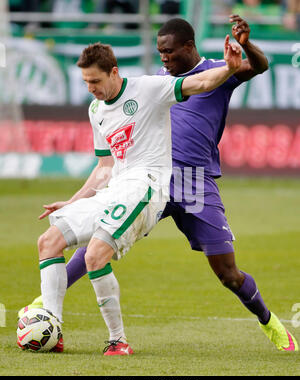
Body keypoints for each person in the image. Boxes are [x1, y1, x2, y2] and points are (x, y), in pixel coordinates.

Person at [20, 16, 298, 353]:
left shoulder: (217, 70)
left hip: (194, 182)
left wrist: (245, 45)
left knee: (228, 273)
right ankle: (43, 306)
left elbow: (258, 66)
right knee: (98, 240)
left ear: (188, 47)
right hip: (150, 179)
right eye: (159, 52)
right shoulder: (156, 84)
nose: (163, 58)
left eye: (168, 52)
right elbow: (110, 156)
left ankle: (269, 322)